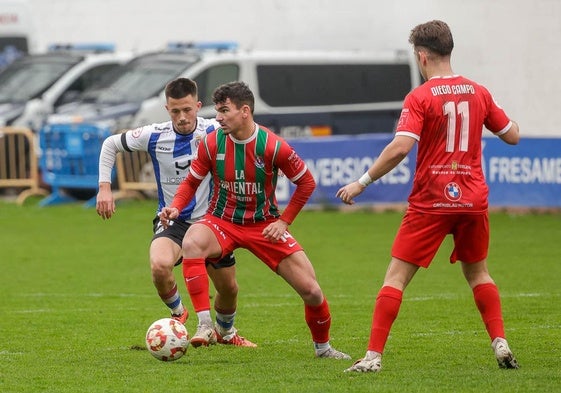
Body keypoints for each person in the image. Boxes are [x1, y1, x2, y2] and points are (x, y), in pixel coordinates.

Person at [337, 20, 520, 373]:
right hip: (472, 201)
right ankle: (500, 342)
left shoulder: (420, 97)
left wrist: (363, 182)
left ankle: (373, 357)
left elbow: (400, 147)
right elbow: (512, 135)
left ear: (422, 57)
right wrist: (494, 112)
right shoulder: (479, 91)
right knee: (479, 274)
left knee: (395, 278)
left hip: (431, 201)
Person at [159, 81, 350, 359]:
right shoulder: (211, 143)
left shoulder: (273, 146)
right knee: (192, 242)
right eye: (218, 111)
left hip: (264, 225)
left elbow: (307, 183)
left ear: (245, 111)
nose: (218, 117)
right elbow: (191, 182)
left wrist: (283, 222)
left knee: (312, 291)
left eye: (224, 111)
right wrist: (176, 207)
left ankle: (323, 349)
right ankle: (204, 325)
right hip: (222, 221)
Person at [96, 77, 255, 347]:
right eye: (175, 111)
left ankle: (226, 333)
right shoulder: (155, 135)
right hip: (173, 220)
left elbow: (249, 133)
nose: (182, 117)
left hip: (211, 223)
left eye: (188, 110)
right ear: (167, 109)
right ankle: (178, 314)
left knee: (229, 289)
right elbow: (110, 144)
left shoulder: (215, 129)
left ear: (198, 106)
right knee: (159, 266)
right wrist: (104, 187)